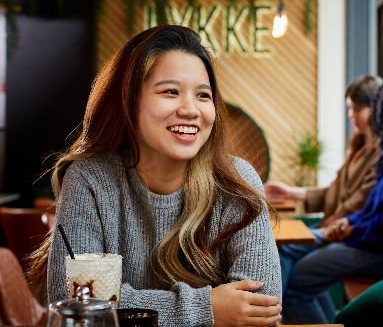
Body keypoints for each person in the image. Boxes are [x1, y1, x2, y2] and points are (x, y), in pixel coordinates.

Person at [28, 25, 282, 326]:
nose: (190, 109)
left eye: (203, 95)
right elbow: (76, 305)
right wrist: (206, 308)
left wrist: (123, 304)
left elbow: (261, 309)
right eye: (170, 92)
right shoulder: (89, 179)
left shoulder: (237, 180)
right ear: (129, 101)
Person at [282, 77, 383, 324]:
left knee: (299, 279)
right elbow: (376, 209)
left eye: (381, 106)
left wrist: (352, 228)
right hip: (373, 240)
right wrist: (350, 222)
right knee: (294, 259)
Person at [265, 75, 382, 293]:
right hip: (336, 225)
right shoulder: (358, 145)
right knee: (281, 251)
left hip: (348, 231)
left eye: (357, 109)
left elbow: (363, 199)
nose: (352, 116)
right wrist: (292, 192)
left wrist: (336, 220)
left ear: (376, 108)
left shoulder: (382, 152)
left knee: (285, 253)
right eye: (349, 109)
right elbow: (334, 190)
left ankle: (273, 312)